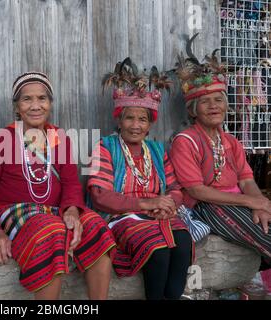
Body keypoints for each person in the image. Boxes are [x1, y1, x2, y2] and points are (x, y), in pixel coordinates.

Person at [0, 71, 116, 300]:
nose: (35, 106)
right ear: (17, 106)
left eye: (42, 99)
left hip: (53, 212)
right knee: (52, 230)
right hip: (15, 211)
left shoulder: (59, 137)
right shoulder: (2, 139)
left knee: (95, 224)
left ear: (50, 104)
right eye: (27, 99)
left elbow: (70, 184)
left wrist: (71, 209)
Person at [87, 58, 193, 300]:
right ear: (119, 120)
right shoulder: (105, 147)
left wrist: (168, 205)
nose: (135, 125)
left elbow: (176, 188)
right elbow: (100, 195)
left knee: (183, 243)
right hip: (121, 216)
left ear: (149, 125)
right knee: (158, 250)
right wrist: (147, 204)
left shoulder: (157, 150)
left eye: (142, 119)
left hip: (158, 213)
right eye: (129, 118)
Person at [170, 34, 271, 262]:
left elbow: (246, 181)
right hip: (208, 207)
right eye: (205, 102)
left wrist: (261, 204)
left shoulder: (231, 141)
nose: (213, 106)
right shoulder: (185, 140)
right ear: (193, 109)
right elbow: (197, 190)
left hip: (237, 202)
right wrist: (250, 202)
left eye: (218, 100)